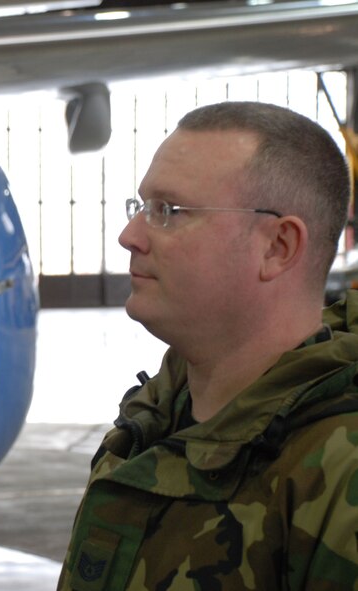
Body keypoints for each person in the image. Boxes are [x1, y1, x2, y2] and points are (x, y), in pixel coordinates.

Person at [58, 101, 358, 590]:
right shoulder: (147, 425)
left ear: (277, 247)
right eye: (141, 207)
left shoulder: (339, 469)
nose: (129, 236)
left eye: (168, 212)